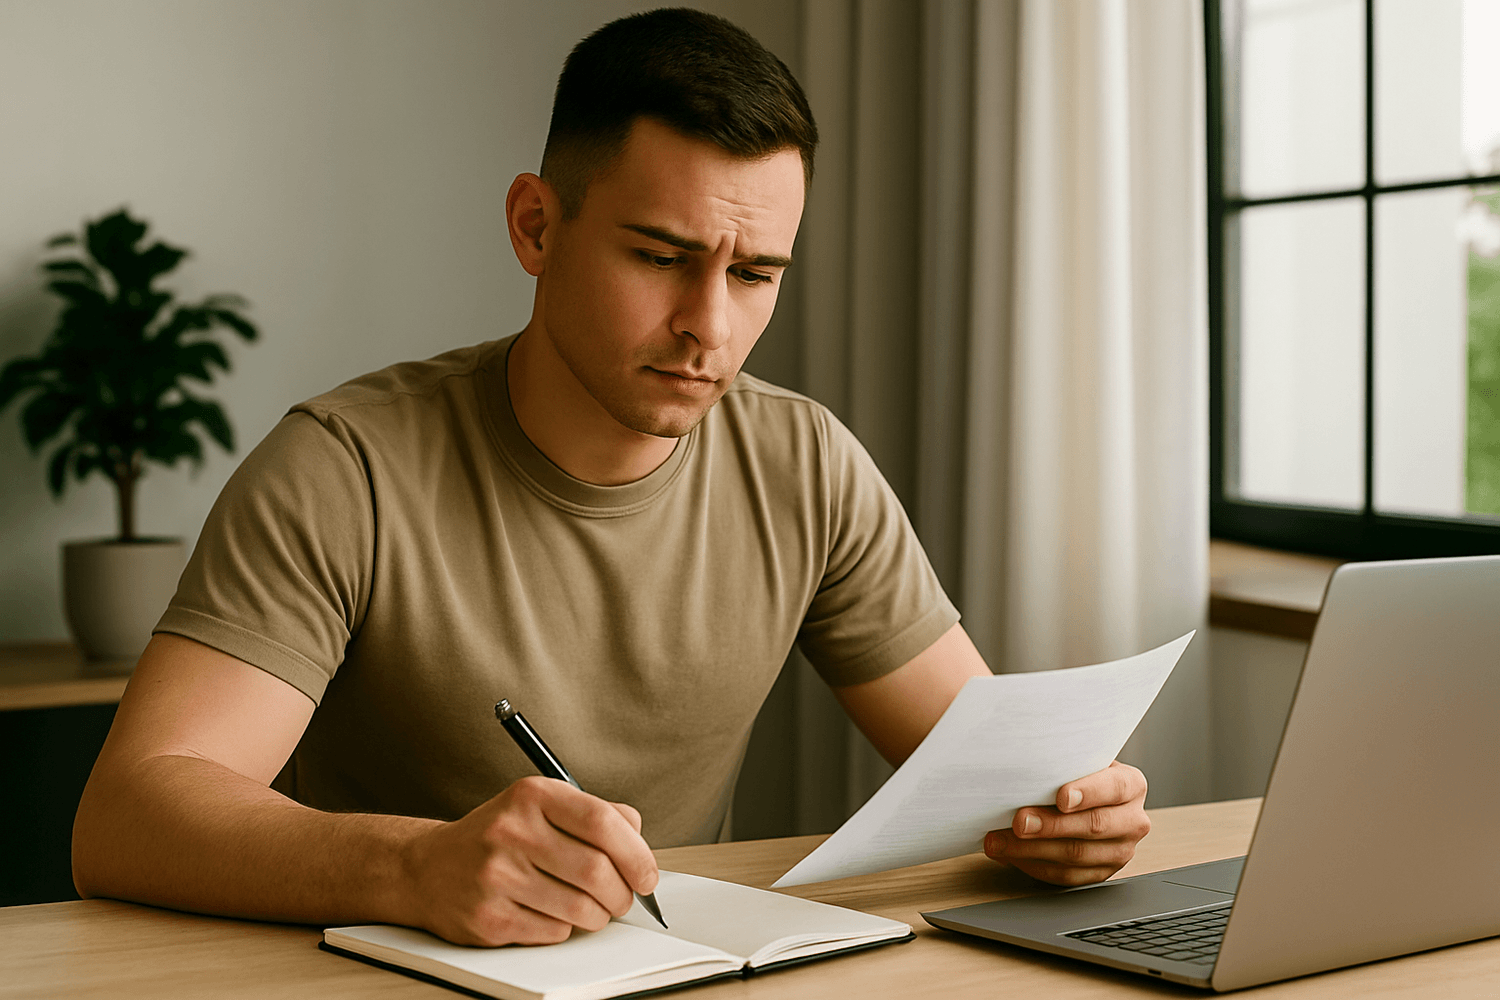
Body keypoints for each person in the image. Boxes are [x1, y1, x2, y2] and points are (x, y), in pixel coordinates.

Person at [72, 8, 1150, 947]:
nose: (709, 326)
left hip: (664, 967)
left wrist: (1064, 815)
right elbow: (126, 817)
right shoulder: (343, 466)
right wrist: (415, 867)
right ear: (537, 226)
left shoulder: (805, 462)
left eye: (756, 273)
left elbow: (989, 770)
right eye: (659, 256)